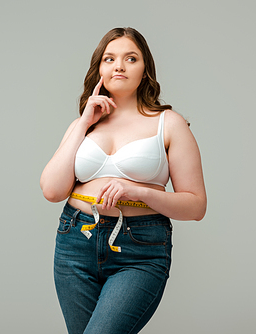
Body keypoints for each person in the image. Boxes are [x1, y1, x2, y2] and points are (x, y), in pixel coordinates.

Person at [40, 27, 206, 334]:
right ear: (99, 69)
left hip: (140, 248)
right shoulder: (83, 125)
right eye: (110, 58)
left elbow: (195, 206)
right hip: (75, 242)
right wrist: (84, 122)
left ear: (145, 71)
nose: (119, 66)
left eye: (131, 58)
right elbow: (52, 190)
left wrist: (137, 191)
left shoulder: (169, 123)